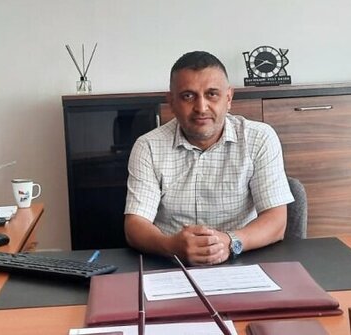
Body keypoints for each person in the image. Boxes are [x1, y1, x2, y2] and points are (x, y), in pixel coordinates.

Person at [124, 51, 293, 265]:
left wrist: (230, 242)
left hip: (243, 258)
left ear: (228, 98)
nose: (201, 108)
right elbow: (135, 225)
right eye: (188, 96)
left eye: (212, 94)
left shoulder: (259, 138)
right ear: (171, 102)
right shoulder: (148, 146)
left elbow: (276, 221)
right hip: (171, 263)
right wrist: (171, 246)